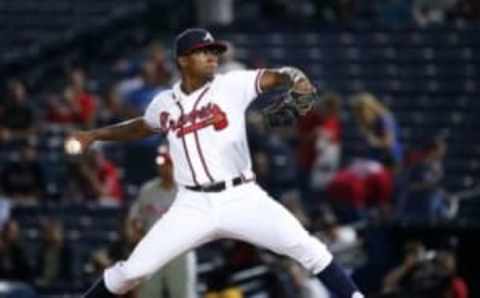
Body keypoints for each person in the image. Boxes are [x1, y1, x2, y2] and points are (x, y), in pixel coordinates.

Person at [69, 28, 364, 298]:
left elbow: (276, 76)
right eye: (203, 51)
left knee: (310, 249)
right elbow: (141, 126)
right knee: (132, 271)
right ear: (183, 60)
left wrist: (294, 76)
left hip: (242, 197)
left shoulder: (232, 85)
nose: (212, 56)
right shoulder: (164, 103)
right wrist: (94, 135)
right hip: (191, 205)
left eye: (214, 51)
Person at [128, 146, 197, 298]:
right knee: (148, 294)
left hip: (180, 251)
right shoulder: (148, 190)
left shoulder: (188, 191)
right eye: (162, 164)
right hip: (153, 252)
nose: (164, 168)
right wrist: (137, 236)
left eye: (168, 164)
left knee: (183, 294)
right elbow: (135, 218)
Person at [351, 92, 402, 168]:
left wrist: (374, 141)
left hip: (390, 160)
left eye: (362, 111)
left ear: (370, 108)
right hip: (375, 160)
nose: (361, 116)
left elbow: (388, 142)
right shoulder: (369, 122)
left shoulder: (384, 118)